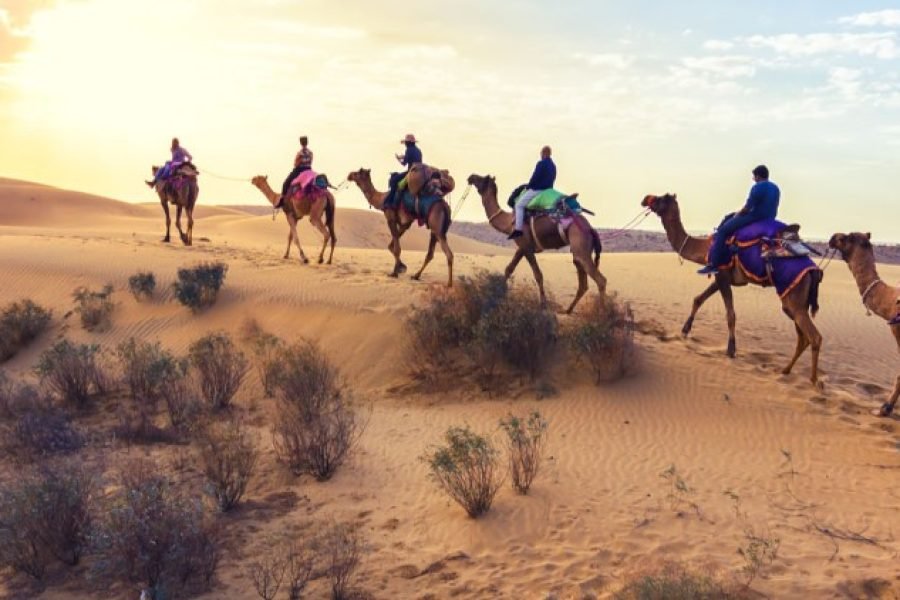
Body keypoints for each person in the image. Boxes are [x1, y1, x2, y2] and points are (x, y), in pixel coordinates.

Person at [698, 164, 780, 274]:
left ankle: (714, 264)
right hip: (770, 218)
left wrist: (738, 214)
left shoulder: (757, 187)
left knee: (723, 231)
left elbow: (747, 208)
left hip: (755, 217)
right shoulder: (776, 188)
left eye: (754, 177)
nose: (753, 179)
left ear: (758, 176)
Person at [509, 145, 556, 239]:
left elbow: (535, 177)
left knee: (519, 205)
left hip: (538, 190)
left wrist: (528, 186)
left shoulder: (541, 163)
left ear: (543, 153)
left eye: (541, 153)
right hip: (548, 191)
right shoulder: (553, 166)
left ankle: (518, 229)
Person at [385, 134, 422, 209]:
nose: (405, 144)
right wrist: (403, 157)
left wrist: (399, 159)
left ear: (408, 143)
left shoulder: (408, 150)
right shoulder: (418, 150)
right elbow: (411, 157)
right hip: (419, 172)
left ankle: (391, 202)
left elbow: (404, 163)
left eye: (406, 143)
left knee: (394, 180)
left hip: (411, 172)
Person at [281, 135, 314, 202]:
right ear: (307, 142)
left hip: (300, 170)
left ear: (300, 143)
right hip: (309, 170)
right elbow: (311, 162)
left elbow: (296, 164)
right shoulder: (310, 153)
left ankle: (283, 200)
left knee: (286, 183)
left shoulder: (299, 153)